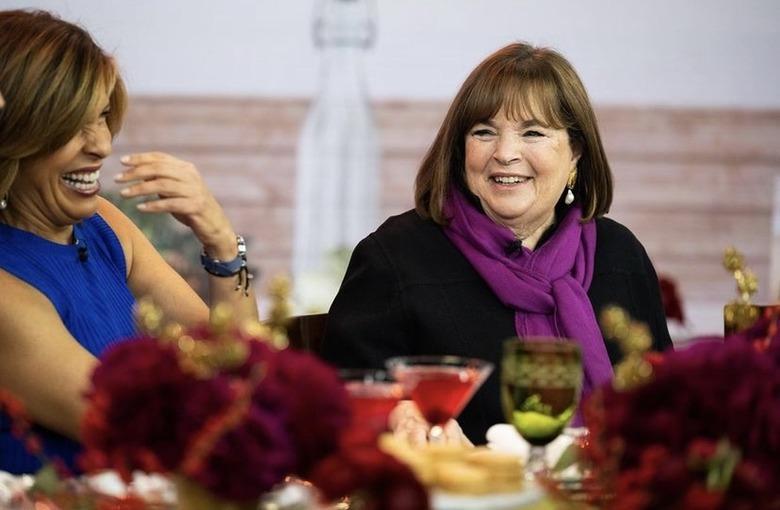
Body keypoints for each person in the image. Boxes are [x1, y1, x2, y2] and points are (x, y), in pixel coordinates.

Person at [322, 43, 673, 446]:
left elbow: (666, 411)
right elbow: (339, 410)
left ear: (575, 152)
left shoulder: (620, 255)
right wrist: (399, 420)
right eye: (484, 132)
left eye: (533, 133)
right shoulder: (395, 258)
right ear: (461, 149)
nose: (505, 154)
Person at [0, 9, 258, 474]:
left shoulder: (103, 222)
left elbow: (241, 365)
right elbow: (147, 433)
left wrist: (221, 241)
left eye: (101, 117)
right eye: (73, 123)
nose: (100, 144)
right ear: (17, 133)